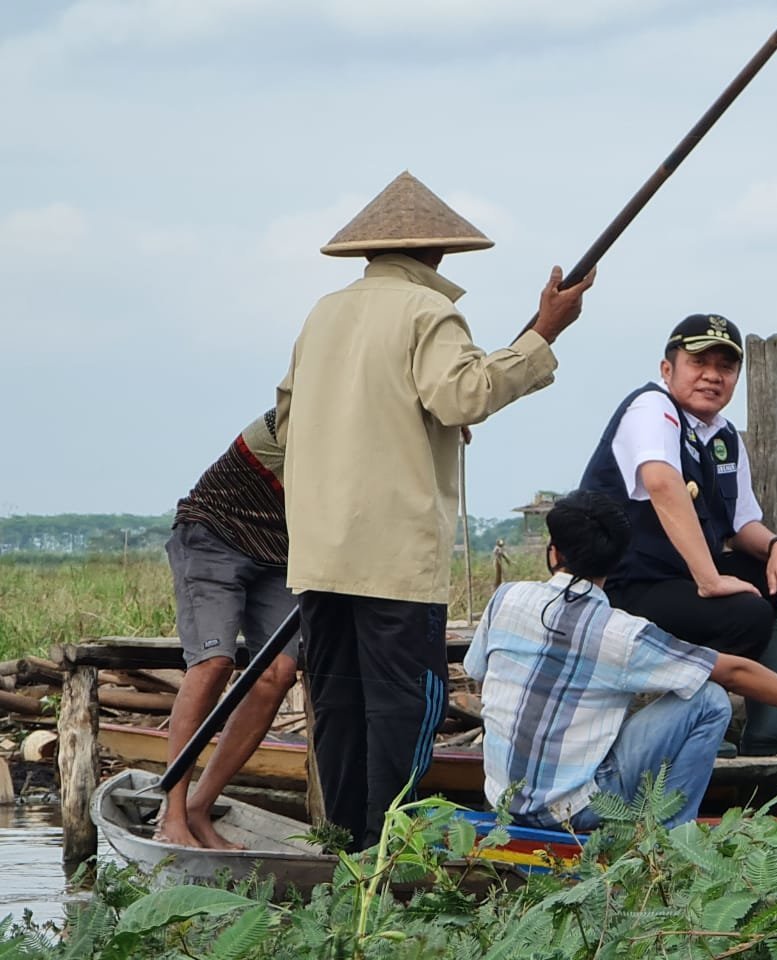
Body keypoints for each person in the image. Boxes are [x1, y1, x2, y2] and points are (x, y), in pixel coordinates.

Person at [276, 170, 595, 850]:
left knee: (337, 704)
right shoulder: (430, 312)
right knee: (402, 707)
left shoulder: (323, 313)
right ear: (439, 253)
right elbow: (464, 396)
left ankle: (345, 848)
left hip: (321, 551)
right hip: (390, 554)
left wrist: (415, 417)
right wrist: (544, 332)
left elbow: (288, 416)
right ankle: (388, 851)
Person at [464, 490, 777, 829]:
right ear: (618, 561)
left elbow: (480, 677)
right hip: (575, 812)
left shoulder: (506, 599)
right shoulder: (619, 633)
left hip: (501, 802)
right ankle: (672, 843)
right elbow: (735, 672)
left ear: (554, 552)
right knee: (708, 699)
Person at [579, 314, 777, 757]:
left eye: (726, 366)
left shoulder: (721, 437)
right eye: (699, 362)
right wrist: (711, 579)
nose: (712, 376)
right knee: (744, 614)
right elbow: (662, 483)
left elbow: (741, 525)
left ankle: (772, 724)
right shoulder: (651, 408)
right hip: (621, 587)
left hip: (675, 582)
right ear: (668, 369)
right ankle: (689, 723)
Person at [159, 409, 299, 848]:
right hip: (216, 532)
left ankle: (201, 807)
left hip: (281, 554)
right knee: (214, 663)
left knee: (278, 672)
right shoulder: (296, 411)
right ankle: (173, 812)